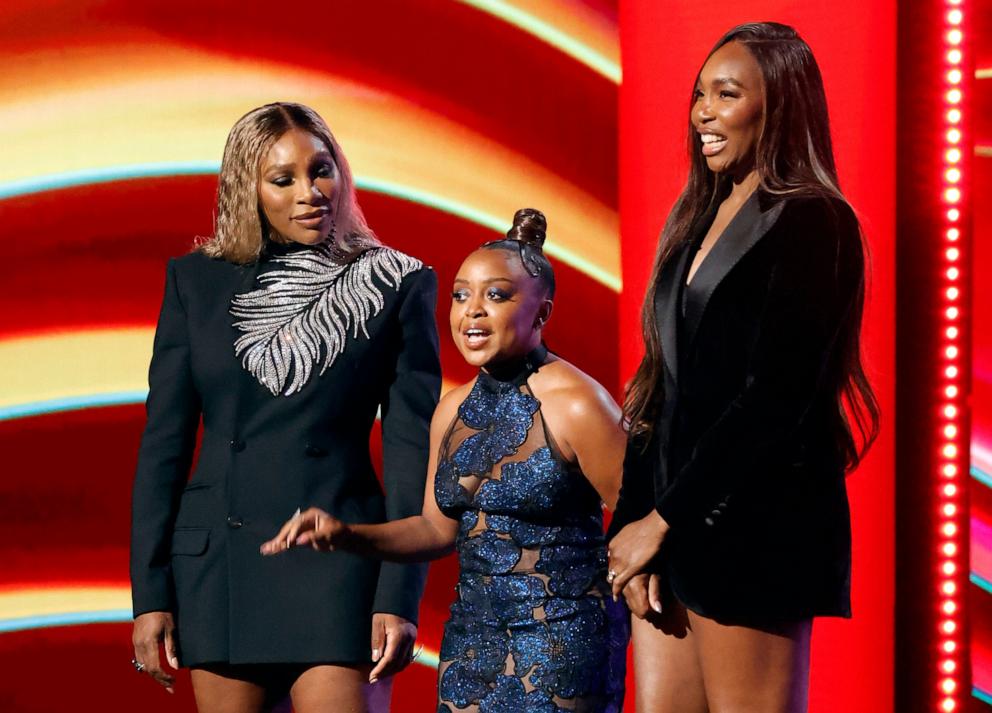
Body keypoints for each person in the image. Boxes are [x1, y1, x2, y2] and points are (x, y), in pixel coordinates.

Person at [605, 22, 880, 713]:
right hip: (669, 533)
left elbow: (775, 396)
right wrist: (632, 527)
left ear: (778, 107)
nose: (702, 112)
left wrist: (661, 520)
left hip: (756, 532)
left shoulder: (818, 223)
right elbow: (656, 386)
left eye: (725, 95)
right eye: (700, 94)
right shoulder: (695, 216)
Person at [129, 102, 441, 713]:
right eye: (283, 179)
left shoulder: (394, 281)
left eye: (321, 171)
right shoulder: (194, 281)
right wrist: (150, 595)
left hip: (340, 565)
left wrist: (397, 597)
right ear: (248, 188)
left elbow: (412, 452)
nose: (310, 193)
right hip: (220, 567)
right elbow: (163, 447)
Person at [262, 208, 630, 712]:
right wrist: (347, 535)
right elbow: (435, 532)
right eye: (461, 295)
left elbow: (638, 525)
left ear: (541, 312)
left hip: (561, 642)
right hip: (472, 640)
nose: (471, 312)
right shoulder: (451, 410)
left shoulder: (577, 404)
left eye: (496, 296)